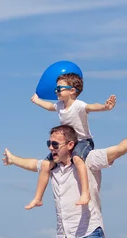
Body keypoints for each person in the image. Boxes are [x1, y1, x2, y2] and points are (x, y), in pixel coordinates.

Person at [27, 72, 116, 210]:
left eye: (59, 89)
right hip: (67, 143)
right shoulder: (60, 106)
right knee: (45, 165)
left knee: (77, 159)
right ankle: (38, 198)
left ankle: (85, 193)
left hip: (83, 141)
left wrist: (105, 107)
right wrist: (37, 100)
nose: (56, 91)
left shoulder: (78, 105)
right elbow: (50, 107)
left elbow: (92, 107)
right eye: (56, 89)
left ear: (72, 91)